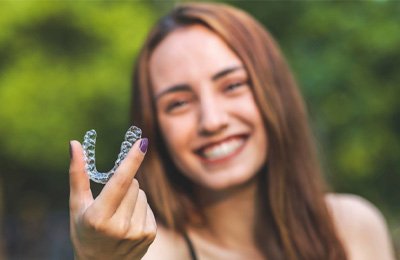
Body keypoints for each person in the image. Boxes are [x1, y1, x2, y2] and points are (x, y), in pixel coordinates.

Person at [68, 2, 395, 260]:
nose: (212, 120)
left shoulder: (353, 227)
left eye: (234, 85)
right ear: (154, 127)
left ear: (276, 92)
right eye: (178, 103)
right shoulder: (150, 254)